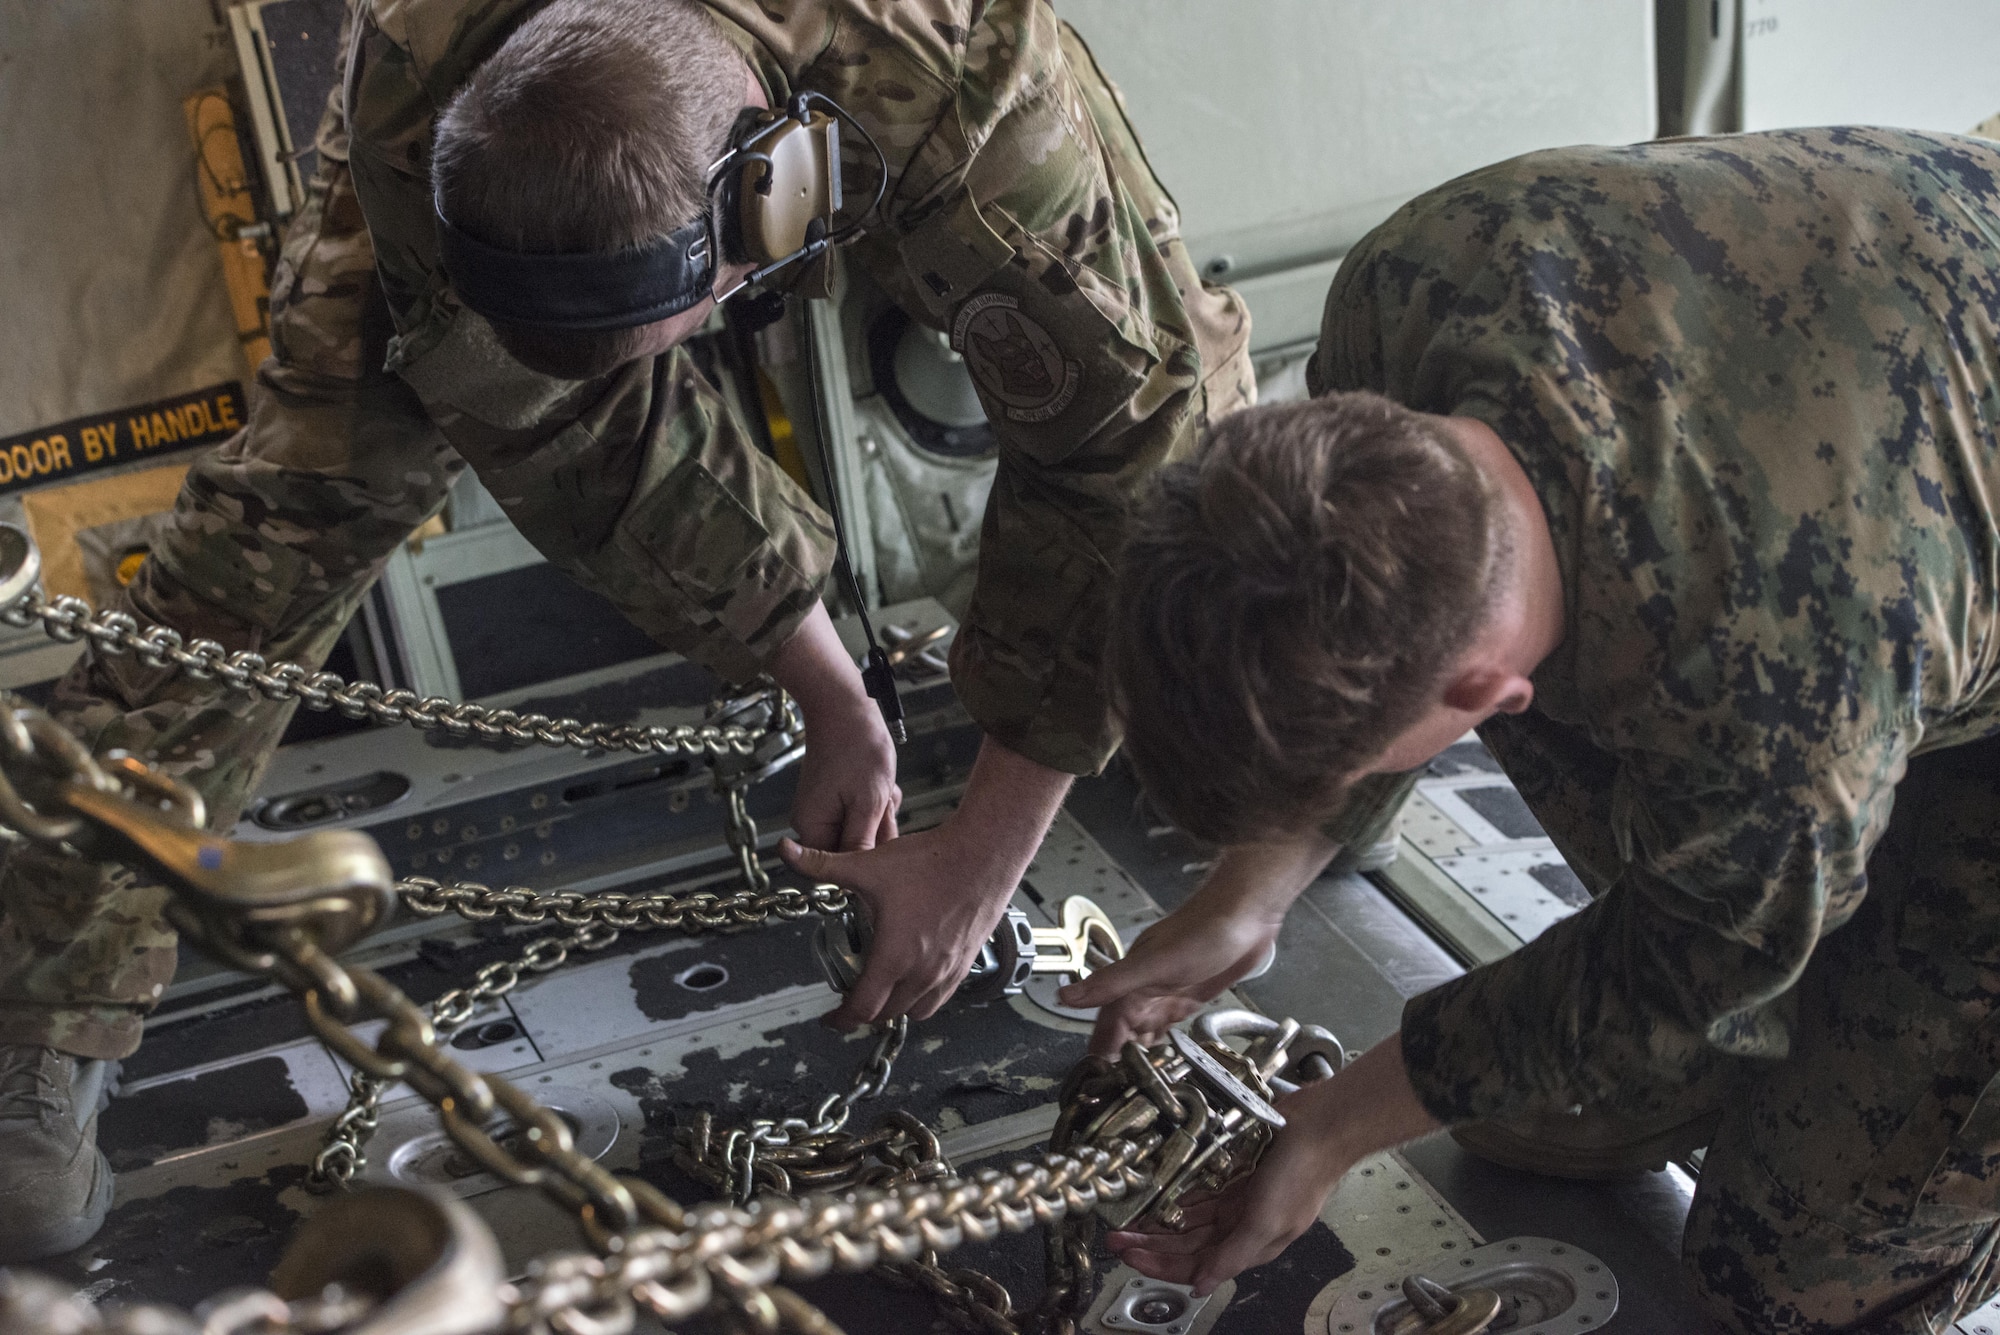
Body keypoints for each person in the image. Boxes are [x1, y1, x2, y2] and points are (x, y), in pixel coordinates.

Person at [0, 0, 1251, 1260]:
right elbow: (561, 426)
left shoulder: (965, 95)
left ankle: (1293, 811)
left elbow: (1130, 455)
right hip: (519, 92)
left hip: (878, 91)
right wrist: (825, 688)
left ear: (779, 187)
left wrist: (981, 855)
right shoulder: (423, 83)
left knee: (1162, 451)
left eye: (691, 315)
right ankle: (41, 992)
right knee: (289, 513)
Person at [1062, 125, 2000, 1333]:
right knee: (1526, 1101)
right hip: (1896, 482)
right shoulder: (1405, 290)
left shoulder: (1770, 710)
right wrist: (1250, 892)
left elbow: (1692, 957)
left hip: (1863, 615)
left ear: (1485, 697)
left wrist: (1328, 1131)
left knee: (1788, 1280)